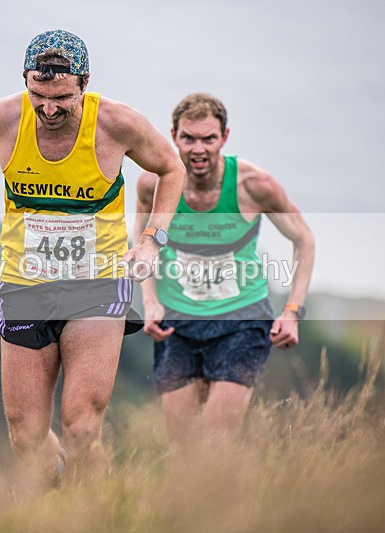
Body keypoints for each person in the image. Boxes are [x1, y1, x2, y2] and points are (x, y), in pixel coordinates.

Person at [0, 29, 184, 482]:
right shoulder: (3, 120)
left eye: (62, 97)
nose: (49, 108)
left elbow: (170, 167)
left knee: (81, 427)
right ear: (25, 80)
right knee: (26, 438)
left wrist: (152, 239)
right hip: (24, 285)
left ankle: (96, 514)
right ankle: (60, 488)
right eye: (38, 95)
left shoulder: (118, 124)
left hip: (97, 285)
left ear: (84, 83)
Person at [135, 93, 315, 451]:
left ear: (225, 137)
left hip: (241, 323)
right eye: (188, 138)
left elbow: (305, 239)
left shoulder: (254, 185)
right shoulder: (152, 184)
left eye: (208, 138)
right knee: (182, 448)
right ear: (174, 136)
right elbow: (143, 244)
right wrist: (150, 302)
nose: (198, 149)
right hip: (177, 323)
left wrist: (292, 311)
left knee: (216, 441)